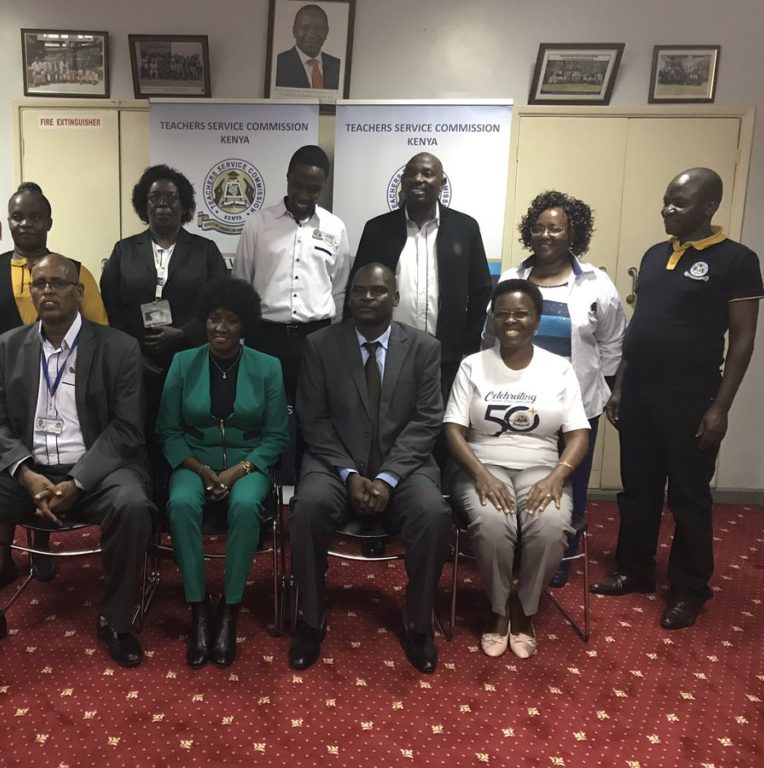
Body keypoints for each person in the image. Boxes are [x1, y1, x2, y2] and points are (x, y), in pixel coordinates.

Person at [0, 254, 154, 667]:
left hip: (95, 475)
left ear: (79, 291)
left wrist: (78, 481)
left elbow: (126, 429)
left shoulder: (119, 348)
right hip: (26, 475)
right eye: (39, 284)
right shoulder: (8, 348)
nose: (47, 291)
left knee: (133, 504)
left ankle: (116, 620)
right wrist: (27, 474)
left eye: (58, 283)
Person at [591, 168, 764, 630]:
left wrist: (720, 407)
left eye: (680, 202)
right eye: (667, 200)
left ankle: (689, 590)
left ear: (709, 206)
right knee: (638, 490)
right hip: (641, 392)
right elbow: (639, 329)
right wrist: (621, 386)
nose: (668, 209)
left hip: (692, 397)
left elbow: (743, 341)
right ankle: (636, 570)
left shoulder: (736, 260)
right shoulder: (653, 255)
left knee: (689, 498)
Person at [289, 263, 450, 674]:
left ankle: (418, 623)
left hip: (404, 468)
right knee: (306, 507)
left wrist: (387, 477)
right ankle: (310, 618)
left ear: (395, 298)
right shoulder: (320, 345)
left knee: (433, 513)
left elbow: (427, 420)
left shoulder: (425, 348)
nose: (366, 298)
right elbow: (314, 419)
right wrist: (349, 473)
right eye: (359, 291)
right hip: (335, 466)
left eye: (378, 291)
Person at [0, 181, 108, 587]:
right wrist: (4, 357)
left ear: (49, 221)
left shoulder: (75, 270)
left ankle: (41, 547)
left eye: (34, 216)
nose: (25, 224)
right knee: (10, 464)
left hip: (64, 384)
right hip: (7, 387)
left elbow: (100, 330)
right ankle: (1, 553)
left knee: (48, 457)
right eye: (17, 216)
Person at [483, 191, 627, 587]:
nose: (546, 235)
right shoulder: (513, 278)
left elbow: (613, 342)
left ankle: (559, 557)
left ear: (572, 234)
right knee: (518, 475)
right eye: (539, 227)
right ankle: (515, 549)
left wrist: (610, 390)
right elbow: (488, 337)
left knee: (568, 483)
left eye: (556, 228)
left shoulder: (595, 282)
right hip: (516, 402)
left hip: (575, 405)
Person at [445, 279, 590, 659]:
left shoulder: (558, 369)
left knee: (553, 524)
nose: (511, 321)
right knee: (493, 522)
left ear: (537, 321)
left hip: (541, 466)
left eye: (521, 314)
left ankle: (523, 609)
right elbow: (454, 430)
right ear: (492, 319)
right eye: (503, 314)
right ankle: (497, 608)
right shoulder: (472, 366)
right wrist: (480, 474)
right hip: (482, 463)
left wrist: (558, 475)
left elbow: (578, 435)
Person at [156, 277, 289, 668]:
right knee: (180, 502)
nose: (220, 328)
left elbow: (277, 433)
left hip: (249, 462)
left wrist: (235, 473)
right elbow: (168, 429)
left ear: (244, 324)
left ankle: (230, 610)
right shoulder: (183, 362)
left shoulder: (269, 367)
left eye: (230, 320)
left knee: (247, 506)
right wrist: (199, 469)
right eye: (213, 319)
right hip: (192, 460)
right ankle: (199, 609)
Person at [352, 152, 493, 468]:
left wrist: (467, 346)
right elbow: (357, 289)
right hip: (386, 354)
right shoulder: (377, 228)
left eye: (428, 173)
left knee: (442, 431)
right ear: (402, 183)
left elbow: (482, 289)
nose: (419, 179)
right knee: (385, 429)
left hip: (445, 357)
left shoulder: (465, 228)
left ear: (442, 182)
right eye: (412, 173)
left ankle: (435, 502)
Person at [233, 145, 351, 478]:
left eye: (313, 188)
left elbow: (340, 288)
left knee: (313, 415)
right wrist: (243, 338)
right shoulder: (258, 224)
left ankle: (306, 482)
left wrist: (334, 339)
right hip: (265, 336)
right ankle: (261, 481)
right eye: (297, 184)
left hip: (316, 338)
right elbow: (241, 283)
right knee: (260, 414)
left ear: (323, 186)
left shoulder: (335, 227)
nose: (303, 193)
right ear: (287, 178)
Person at [101, 164, 227, 444]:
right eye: (154, 197)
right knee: (140, 431)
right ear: (143, 205)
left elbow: (220, 301)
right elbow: (111, 305)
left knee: (188, 431)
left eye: (171, 197)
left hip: (192, 358)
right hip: (136, 362)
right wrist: (133, 353)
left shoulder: (205, 250)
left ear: (184, 205)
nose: (162, 204)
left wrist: (183, 333)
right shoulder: (124, 250)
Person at [275, 4, 341, 90]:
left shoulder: (337, 66)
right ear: (294, 31)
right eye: (305, 27)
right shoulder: (279, 64)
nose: (311, 34)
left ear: (326, 32)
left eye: (318, 28)